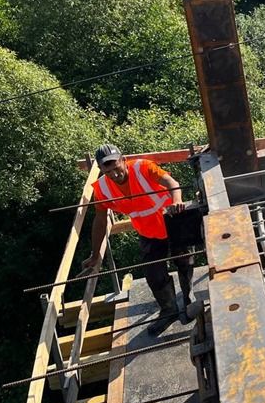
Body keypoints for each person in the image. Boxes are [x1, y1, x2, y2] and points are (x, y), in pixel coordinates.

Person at [82, 144, 192, 338]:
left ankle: (188, 297)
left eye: (116, 167)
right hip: (149, 232)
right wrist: (94, 254)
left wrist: (176, 200)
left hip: (172, 222)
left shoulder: (143, 167)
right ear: (101, 170)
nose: (115, 174)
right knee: (154, 274)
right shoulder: (102, 189)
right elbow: (99, 221)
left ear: (123, 160)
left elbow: (171, 182)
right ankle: (169, 310)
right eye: (108, 171)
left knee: (184, 260)